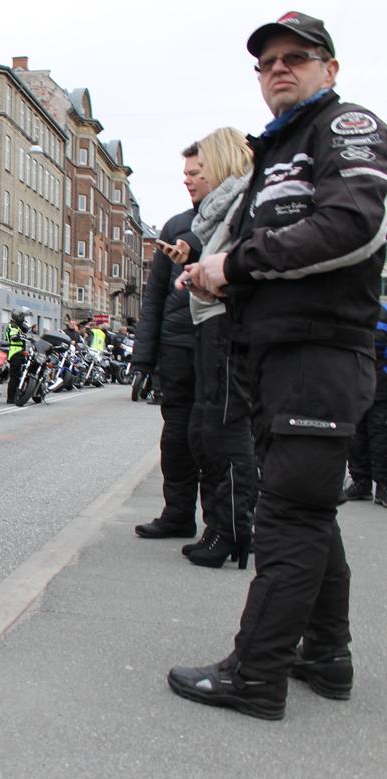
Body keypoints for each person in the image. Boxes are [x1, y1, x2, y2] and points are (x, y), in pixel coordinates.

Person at [169, 12, 387, 720]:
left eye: (296, 58)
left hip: (320, 351)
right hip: (279, 353)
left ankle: (255, 673)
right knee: (307, 511)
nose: (278, 70)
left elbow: (354, 224)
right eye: (266, 64)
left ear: (331, 66)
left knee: (287, 516)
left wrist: (237, 264)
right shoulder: (279, 146)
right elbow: (260, 244)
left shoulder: (346, 126)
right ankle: (325, 654)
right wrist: (211, 272)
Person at [163, 128, 258, 570]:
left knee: (224, 430)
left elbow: (243, 265)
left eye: (198, 170)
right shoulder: (217, 213)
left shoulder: (240, 204)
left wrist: (203, 273)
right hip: (209, 324)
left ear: (219, 164)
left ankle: (234, 530)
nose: (189, 179)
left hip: (226, 326)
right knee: (208, 430)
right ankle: (223, 527)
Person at [131, 144, 208, 541]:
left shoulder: (237, 221)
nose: (187, 179)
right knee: (176, 438)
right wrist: (143, 359)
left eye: (195, 172)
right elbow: (154, 294)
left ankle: (223, 525)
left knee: (213, 438)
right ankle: (178, 514)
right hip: (176, 350)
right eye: (186, 172)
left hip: (218, 348)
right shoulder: (175, 225)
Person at [341, 304, 387, 505]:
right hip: (357, 378)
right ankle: (361, 481)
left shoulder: (382, 311)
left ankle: (383, 485)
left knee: (380, 433)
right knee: (358, 433)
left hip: (380, 380)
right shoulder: (351, 309)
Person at [5, 307, 32, 404]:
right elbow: (14, 337)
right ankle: (11, 398)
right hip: (14, 351)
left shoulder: (18, 326)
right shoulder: (12, 326)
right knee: (14, 376)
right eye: (22, 317)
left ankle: (18, 393)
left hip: (20, 352)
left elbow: (25, 330)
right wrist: (19, 336)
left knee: (19, 374)